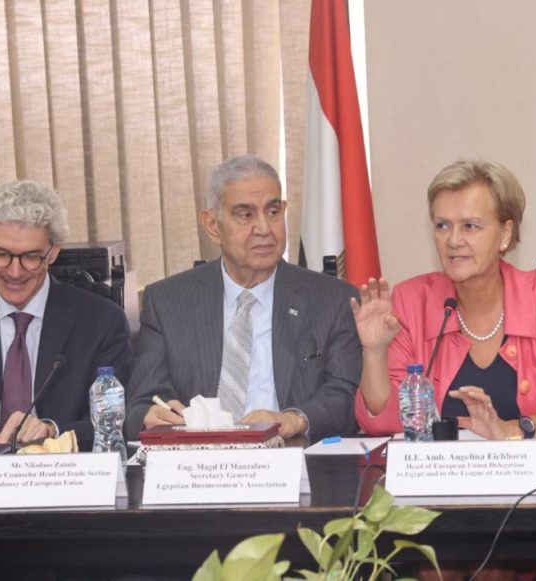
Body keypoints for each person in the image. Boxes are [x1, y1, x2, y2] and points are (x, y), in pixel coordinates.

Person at [353, 159, 536, 440]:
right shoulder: (412, 301)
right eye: (442, 225)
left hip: (530, 469)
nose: (453, 240)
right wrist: (374, 353)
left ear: (505, 234)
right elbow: (384, 422)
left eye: (470, 226)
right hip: (441, 469)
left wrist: (508, 431)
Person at [125, 154, 361, 441]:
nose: (264, 228)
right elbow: (139, 405)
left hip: (291, 457)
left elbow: (345, 397)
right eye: (246, 215)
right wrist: (150, 415)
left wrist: (294, 419)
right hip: (197, 462)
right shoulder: (167, 302)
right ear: (213, 225)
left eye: (273, 212)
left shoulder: (332, 300)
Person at [0, 180, 130, 450]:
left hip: (61, 470)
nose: (14, 272)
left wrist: (53, 429)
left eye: (30, 257)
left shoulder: (101, 322)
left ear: (53, 252)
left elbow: (116, 420)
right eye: (0, 255)